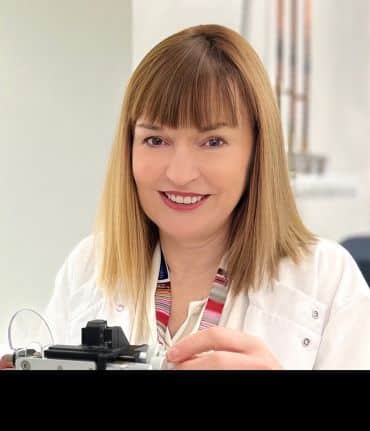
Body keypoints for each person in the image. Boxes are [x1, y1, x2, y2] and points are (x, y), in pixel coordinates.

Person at [3, 24, 370, 370]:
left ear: (257, 152)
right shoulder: (89, 266)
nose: (179, 173)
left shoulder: (327, 279)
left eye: (213, 141)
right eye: (156, 140)